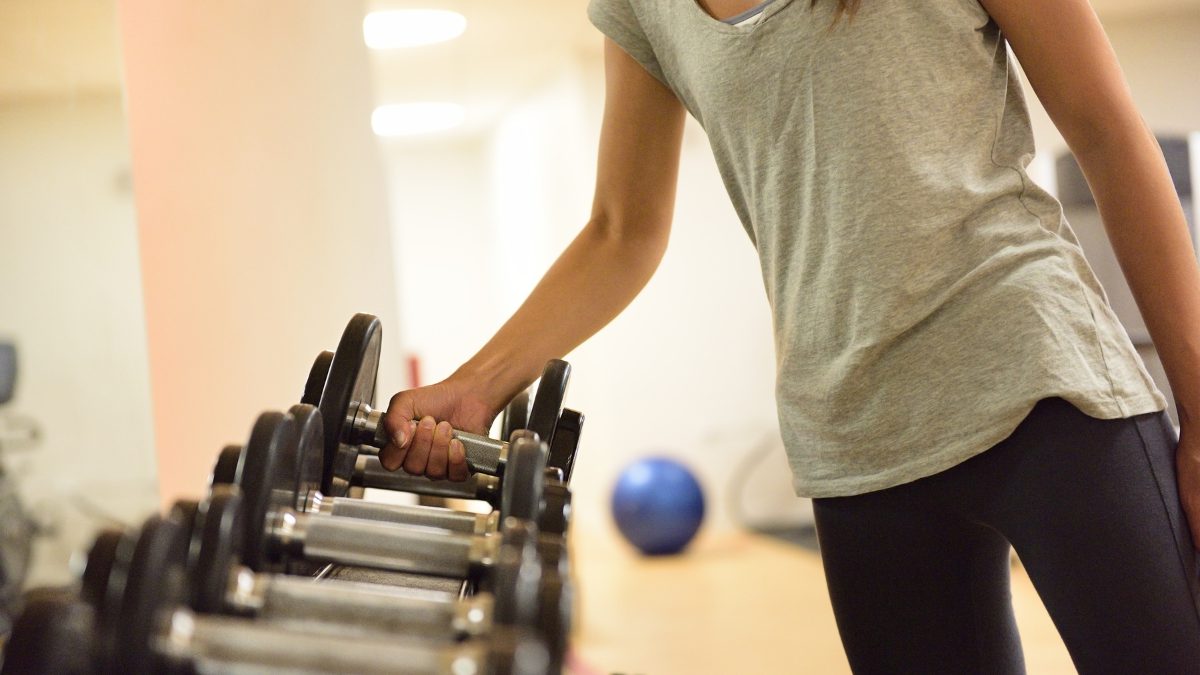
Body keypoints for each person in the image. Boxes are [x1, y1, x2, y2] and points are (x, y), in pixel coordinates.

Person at [380, 0, 1200, 670]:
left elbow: (1106, 130)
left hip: (1040, 379)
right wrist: (478, 384)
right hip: (853, 438)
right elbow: (621, 230)